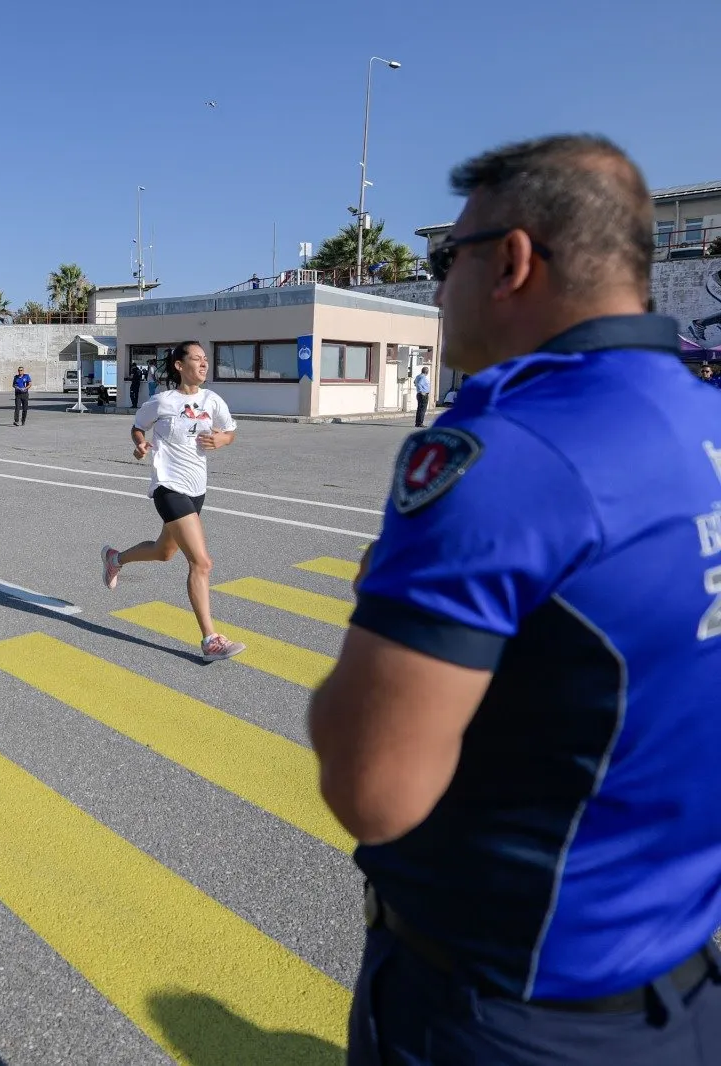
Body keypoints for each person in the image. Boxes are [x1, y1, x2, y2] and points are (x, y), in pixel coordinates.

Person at [307, 134, 721, 1065]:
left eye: (444, 259)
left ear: (512, 260)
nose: (440, 285)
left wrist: (381, 590)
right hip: (683, 994)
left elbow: (372, 789)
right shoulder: (707, 413)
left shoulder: (508, 455)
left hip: (509, 1011)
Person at [101, 341, 245, 661]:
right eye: (196, 359)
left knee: (164, 552)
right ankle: (210, 639)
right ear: (180, 366)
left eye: (206, 359)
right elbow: (137, 428)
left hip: (197, 489)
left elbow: (230, 431)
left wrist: (221, 439)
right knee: (201, 562)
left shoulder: (212, 400)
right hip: (168, 487)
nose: (204, 364)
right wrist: (140, 445)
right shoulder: (162, 401)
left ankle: (115, 558)